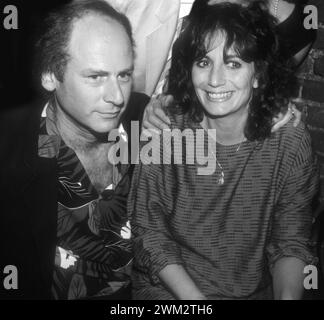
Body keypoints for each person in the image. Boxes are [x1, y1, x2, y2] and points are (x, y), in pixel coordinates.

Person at [129, 2, 319, 300]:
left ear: (258, 74)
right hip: (170, 292)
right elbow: (149, 235)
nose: (215, 80)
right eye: (203, 62)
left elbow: (291, 241)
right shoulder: (164, 131)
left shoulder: (289, 142)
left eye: (234, 63)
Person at [0, 0, 149, 299]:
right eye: (96, 77)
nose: (117, 96)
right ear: (50, 75)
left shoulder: (148, 120)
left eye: (124, 75)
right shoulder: (9, 148)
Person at [142, 0, 314, 135]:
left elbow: (276, 82)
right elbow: (185, 67)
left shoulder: (302, 24)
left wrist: (280, 106)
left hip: (250, 126)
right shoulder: (210, 4)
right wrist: (162, 102)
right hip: (198, 123)